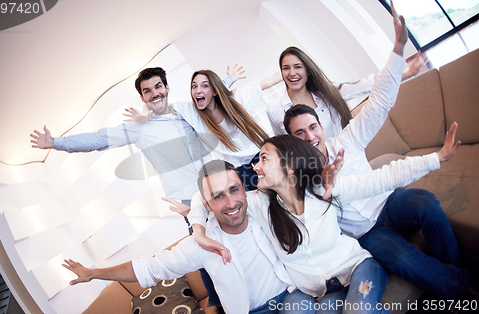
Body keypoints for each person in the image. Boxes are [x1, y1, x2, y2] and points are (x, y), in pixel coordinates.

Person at [279, 3, 471, 300]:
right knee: (401, 258)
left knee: (426, 203)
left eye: (313, 127)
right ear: (292, 141)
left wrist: (398, 48)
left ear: (321, 126)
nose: (310, 136)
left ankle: (453, 271)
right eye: (299, 133)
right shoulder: (303, 183)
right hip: (368, 233)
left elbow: (379, 102)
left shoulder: (346, 140)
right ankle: (459, 288)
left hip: (388, 202)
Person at [190, 131, 458, 313]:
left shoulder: (322, 189)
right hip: (321, 293)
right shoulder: (258, 204)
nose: (255, 167)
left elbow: (381, 179)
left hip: (357, 268)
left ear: (289, 167)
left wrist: (437, 158)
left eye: (263, 158)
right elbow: (204, 197)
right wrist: (199, 233)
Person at [62, 160, 317, 314]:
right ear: (207, 205)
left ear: (244, 188)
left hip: (292, 294)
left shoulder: (263, 203)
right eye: (218, 196)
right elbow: (148, 268)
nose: (231, 203)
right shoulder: (200, 245)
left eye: (234, 190)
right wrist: (95, 273)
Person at [30, 67, 241, 229]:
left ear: (167, 88)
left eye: (158, 87)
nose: (154, 94)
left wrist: (228, 79)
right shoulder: (139, 127)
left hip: (218, 188)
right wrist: (55, 143)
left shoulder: (185, 111)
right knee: (207, 252)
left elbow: (208, 97)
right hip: (189, 199)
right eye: (147, 91)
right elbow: (98, 139)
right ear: (142, 97)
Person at [266, 7, 424, 139]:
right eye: (286, 68)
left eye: (298, 67)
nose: (292, 73)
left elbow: (367, 84)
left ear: (308, 70)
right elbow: (286, 147)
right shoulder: (274, 110)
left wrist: (405, 72)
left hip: (346, 158)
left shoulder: (328, 92)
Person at [128, 68, 283, 190]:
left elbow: (266, 82)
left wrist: (295, 71)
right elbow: (161, 106)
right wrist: (145, 117)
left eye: (203, 86)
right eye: (193, 86)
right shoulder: (191, 112)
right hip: (241, 172)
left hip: (262, 156)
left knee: (285, 189)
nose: (197, 90)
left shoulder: (236, 99)